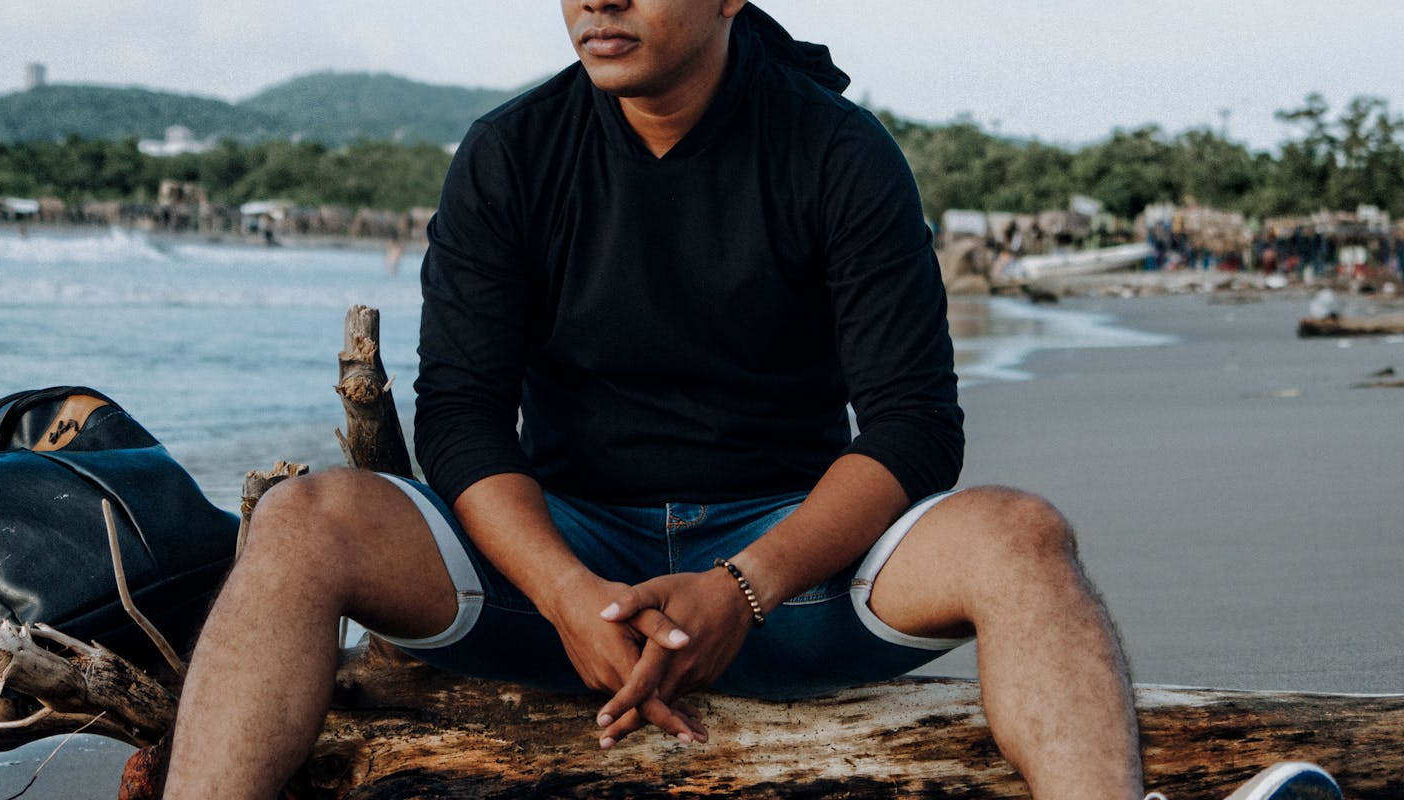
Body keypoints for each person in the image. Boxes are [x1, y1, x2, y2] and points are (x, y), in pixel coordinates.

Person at [163, 4, 1338, 800]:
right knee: (305, 519)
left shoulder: (839, 154)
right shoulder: (511, 154)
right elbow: (465, 415)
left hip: (796, 571)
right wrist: (568, 591)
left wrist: (745, 585)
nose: (598, 0)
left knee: (1021, 534)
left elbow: (914, 424)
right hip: (568, 575)